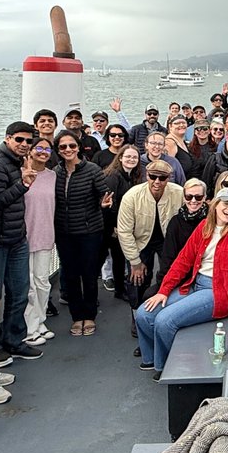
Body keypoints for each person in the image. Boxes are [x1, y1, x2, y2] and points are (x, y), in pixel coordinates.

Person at [136, 188, 228, 378]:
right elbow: (183, 261)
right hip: (195, 285)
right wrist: (163, 291)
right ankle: (150, 358)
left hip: (217, 293)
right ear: (215, 206)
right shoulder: (204, 227)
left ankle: (165, 367)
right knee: (144, 314)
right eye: (226, 204)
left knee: (165, 321)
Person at [0, 122, 42, 363]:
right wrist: (23, 185)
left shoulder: (18, 163)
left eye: (28, 141)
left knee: (19, 292)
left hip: (16, 239)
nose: (24, 145)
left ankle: (15, 340)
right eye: (19, 140)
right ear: (7, 139)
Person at [53, 130, 113, 336]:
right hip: (64, 232)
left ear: (78, 147)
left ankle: (89, 315)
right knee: (70, 275)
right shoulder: (56, 172)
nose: (68, 150)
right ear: (58, 150)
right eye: (63, 147)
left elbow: (102, 193)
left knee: (88, 274)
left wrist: (103, 202)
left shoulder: (92, 170)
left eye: (72, 145)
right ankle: (76, 316)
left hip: (89, 230)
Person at [116, 159, 184, 309]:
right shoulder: (131, 196)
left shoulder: (179, 193)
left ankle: (166, 310)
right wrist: (134, 261)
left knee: (171, 276)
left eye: (162, 178)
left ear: (169, 178)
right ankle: (136, 313)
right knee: (137, 279)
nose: (157, 182)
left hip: (167, 241)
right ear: (147, 175)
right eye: (153, 177)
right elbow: (124, 231)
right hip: (140, 241)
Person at [23, 136, 58, 349]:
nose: (43, 152)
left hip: (45, 234)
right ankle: (30, 328)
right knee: (28, 286)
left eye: (47, 149)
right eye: (39, 148)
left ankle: (40, 321)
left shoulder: (53, 175)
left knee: (43, 283)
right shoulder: (21, 173)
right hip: (23, 237)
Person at [102, 144, 145, 303]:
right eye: (128, 156)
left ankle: (120, 288)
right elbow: (109, 202)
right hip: (111, 225)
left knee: (119, 257)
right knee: (108, 257)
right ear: (120, 157)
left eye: (134, 157)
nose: (131, 160)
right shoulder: (114, 176)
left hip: (123, 224)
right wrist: (114, 225)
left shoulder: (131, 176)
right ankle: (118, 289)